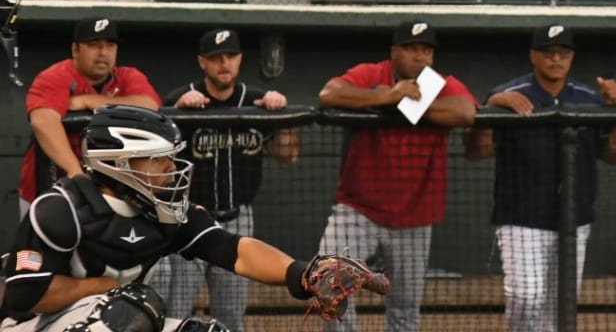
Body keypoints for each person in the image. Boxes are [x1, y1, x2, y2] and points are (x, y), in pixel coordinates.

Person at [1, 105, 378, 332]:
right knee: (133, 308)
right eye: (159, 159)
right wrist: (101, 287)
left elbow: (233, 249)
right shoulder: (57, 210)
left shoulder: (165, 209)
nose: (172, 167)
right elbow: (26, 294)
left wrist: (302, 273)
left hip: (111, 318)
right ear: (119, 165)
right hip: (31, 325)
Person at [313, 20, 477, 332]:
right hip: (358, 209)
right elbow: (329, 94)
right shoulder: (371, 74)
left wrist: (410, 103)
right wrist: (386, 97)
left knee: (404, 310)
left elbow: (466, 112)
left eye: (426, 50)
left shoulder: (436, 83)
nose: (420, 57)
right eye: (412, 49)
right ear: (394, 52)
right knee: (329, 286)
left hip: (415, 216)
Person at [468, 24, 616, 331]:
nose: (555, 59)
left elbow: (613, 155)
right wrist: (491, 106)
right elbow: (477, 152)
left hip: (574, 218)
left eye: (562, 53)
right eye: (548, 53)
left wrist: (615, 111)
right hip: (521, 218)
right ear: (533, 56)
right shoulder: (511, 94)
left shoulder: (588, 98)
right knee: (526, 296)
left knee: (561, 304)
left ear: (571, 57)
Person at [150, 29, 299, 332]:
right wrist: (175, 114)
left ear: (240, 59)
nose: (224, 64)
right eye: (216, 58)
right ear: (202, 62)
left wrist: (282, 117)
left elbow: (288, 155)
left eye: (230, 56)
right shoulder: (179, 99)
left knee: (231, 315)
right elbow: (156, 160)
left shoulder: (255, 99)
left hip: (237, 219)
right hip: (187, 221)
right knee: (177, 311)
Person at [19, 17, 159, 216]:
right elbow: (43, 121)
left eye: (110, 45)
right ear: (75, 50)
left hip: (111, 191)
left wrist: (89, 101)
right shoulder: (56, 76)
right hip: (50, 187)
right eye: (93, 45)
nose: (103, 53)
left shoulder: (128, 76)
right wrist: (76, 173)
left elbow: (150, 106)